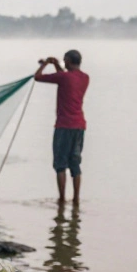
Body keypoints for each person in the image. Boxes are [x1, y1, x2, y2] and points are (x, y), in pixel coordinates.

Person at [34, 49, 89, 205]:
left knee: (60, 164)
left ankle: (62, 199)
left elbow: (37, 77)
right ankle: (76, 199)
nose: (64, 63)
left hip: (64, 126)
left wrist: (45, 64)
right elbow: (65, 77)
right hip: (79, 126)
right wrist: (57, 64)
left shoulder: (64, 77)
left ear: (70, 61)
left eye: (65, 61)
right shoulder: (85, 78)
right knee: (75, 164)